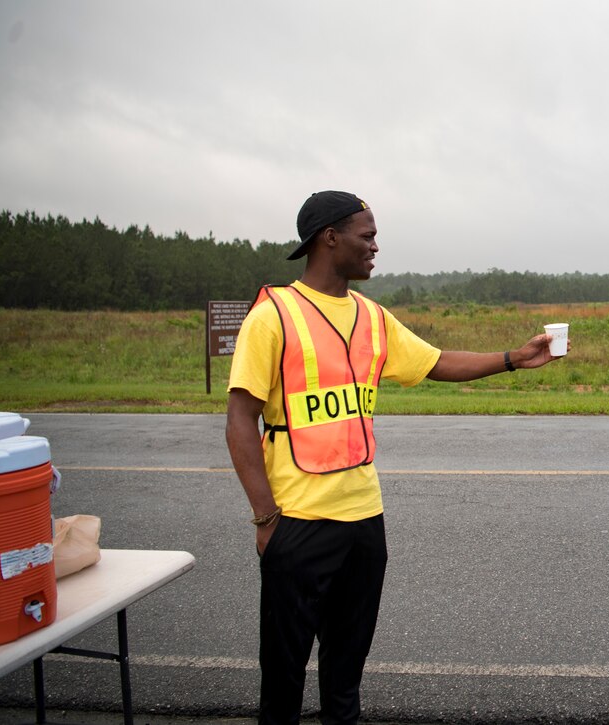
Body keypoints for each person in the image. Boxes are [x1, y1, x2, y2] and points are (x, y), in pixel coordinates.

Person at [225, 190, 563, 725]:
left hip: (363, 522)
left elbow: (436, 362)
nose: (376, 246)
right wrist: (267, 519)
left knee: (346, 681)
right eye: (368, 234)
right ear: (328, 237)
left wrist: (512, 360)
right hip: (298, 523)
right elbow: (239, 419)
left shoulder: (371, 317)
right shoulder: (275, 316)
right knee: (283, 683)